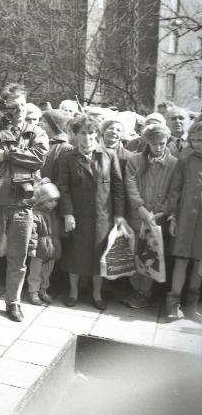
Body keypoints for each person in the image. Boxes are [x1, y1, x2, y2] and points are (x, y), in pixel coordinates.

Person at [0, 83, 49, 321]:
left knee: (18, 257)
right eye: (14, 106)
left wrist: (7, 154)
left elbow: (38, 158)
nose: (20, 110)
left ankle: (13, 301)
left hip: (22, 203)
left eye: (23, 105)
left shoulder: (35, 132)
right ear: (5, 107)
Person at [57, 115, 126, 310]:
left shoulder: (108, 155)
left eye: (91, 133)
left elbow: (118, 187)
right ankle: (73, 293)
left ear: (97, 134)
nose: (88, 137)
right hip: (77, 216)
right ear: (76, 135)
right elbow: (63, 188)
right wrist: (68, 214)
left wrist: (119, 214)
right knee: (75, 254)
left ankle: (97, 295)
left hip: (102, 216)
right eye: (83, 133)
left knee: (99, 255)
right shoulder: (68, 156)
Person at [122, 123, 178, 309]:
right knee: (133, 254)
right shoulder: (135, 160)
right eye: (154, 144)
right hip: (137, 216)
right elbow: (130, 186)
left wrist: (162, 211)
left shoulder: (173, 163)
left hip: (157, 219)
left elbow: (174, 191)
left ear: (167, 141)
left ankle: (144, 293)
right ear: (147, 142)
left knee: (150, 256)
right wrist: (140, 208)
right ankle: (134, 288)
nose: (158, 147)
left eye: (162, 143)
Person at [164, 120, 202, 321]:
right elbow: (175, 191)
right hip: (186, 219)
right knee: (181, 260)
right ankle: (173, 305)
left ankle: (192, 305)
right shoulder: (185, 160)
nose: (197, 143)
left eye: (201, 139)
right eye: (194, 140)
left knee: (199, 263)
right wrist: (172, 217)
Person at [26, 179, 62, 306]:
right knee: (35, 272)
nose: (54, 204)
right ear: (42, 200)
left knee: (47, 272)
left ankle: (43, 290)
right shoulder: (37, 214)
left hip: (52, 248)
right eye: (50, 201)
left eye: (55, 200)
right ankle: (33, 292)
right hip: (40, 248)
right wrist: (32, 247)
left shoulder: (54, 214)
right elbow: (33, 231)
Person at [39, 109, 74, 181]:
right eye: (41, 120)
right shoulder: (42, 141)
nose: (40, 123)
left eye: (45, 122)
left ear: (55, 126)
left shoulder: (65, 147)